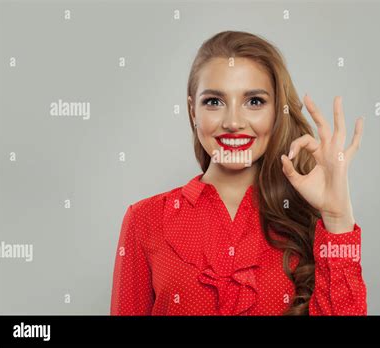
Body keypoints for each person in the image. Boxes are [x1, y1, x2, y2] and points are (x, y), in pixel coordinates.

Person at [111, 30, 366, 316]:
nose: (233, 122)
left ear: (276, 112)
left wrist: (337, 218)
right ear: (193, 111)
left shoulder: (309, 219)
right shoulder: (144, 220)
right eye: (214, 102)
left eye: (254, 101)